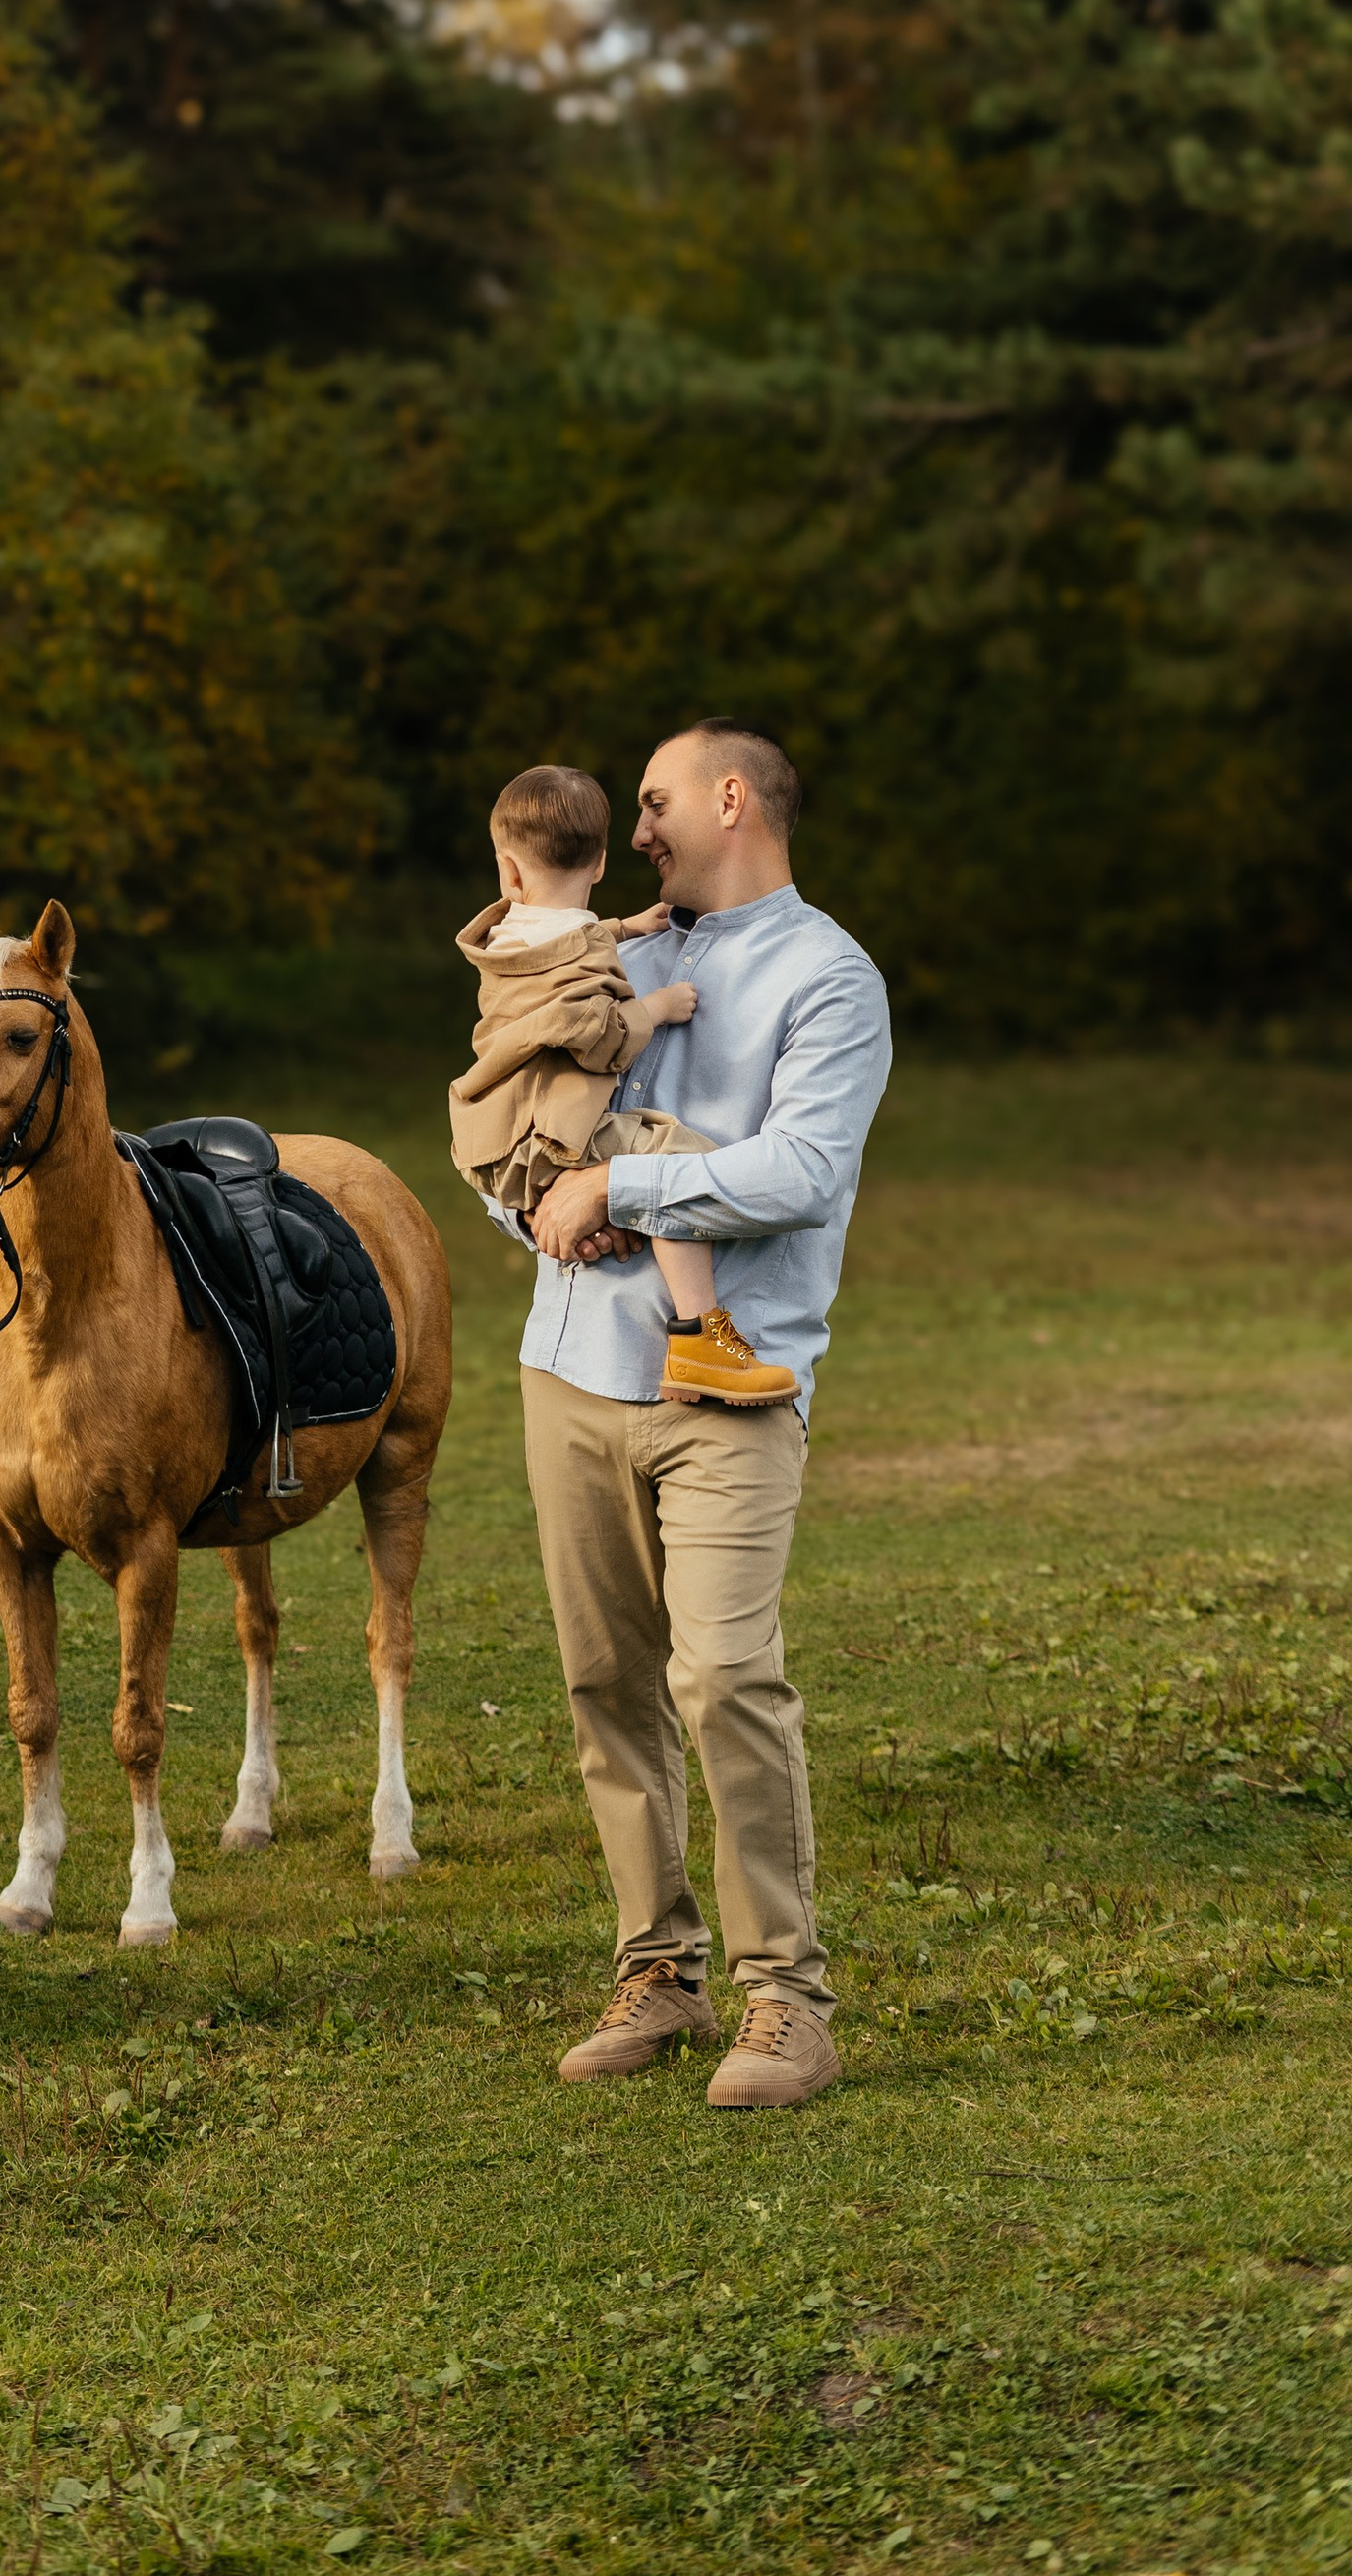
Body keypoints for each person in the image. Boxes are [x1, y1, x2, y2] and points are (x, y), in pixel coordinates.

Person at [507, 720, 891, 2111]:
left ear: (734, 798)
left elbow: (797, 1170)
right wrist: (544, 1206)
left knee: (725, 1678)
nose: (637, 828)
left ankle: (786, 1998)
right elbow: (521, 1109)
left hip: (728, 1388)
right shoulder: (613, 951)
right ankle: (655, 1968)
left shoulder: (830, 978)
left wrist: (625, 1195)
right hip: (570, 1376)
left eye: (657, 802)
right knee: (607, 1688)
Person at [447, 762, 794, 1405]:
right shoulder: (577, 951)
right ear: (601, 862)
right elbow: (598, 1033)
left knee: (629, 1192)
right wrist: (657, 1008)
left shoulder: (509, 939)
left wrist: (628, 927)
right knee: (673, 1158)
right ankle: (698, 1336)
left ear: (509, 871)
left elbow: (570, 941)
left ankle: (609, 1239)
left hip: (495, 1135)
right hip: (553, 1132)